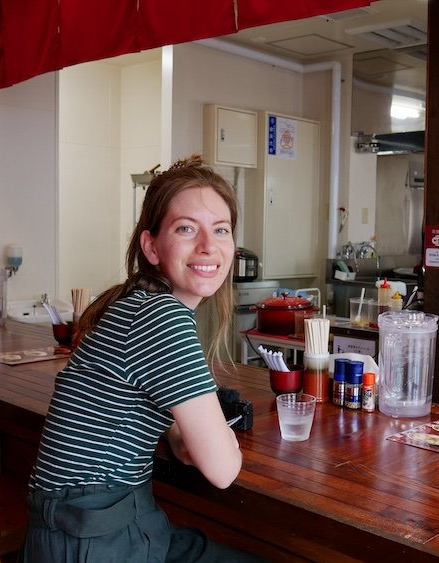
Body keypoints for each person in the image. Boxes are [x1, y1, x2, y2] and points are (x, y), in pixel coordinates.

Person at [21, 156, 262, 562]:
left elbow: (121, 403)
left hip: (93, 523)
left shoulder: (135, 302)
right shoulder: (161, 316)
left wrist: (175, 433)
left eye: (221, 230)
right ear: (151, 245)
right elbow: (223, 470)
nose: (208, 245)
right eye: (187, 228)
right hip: (90, 539)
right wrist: (213, 438)